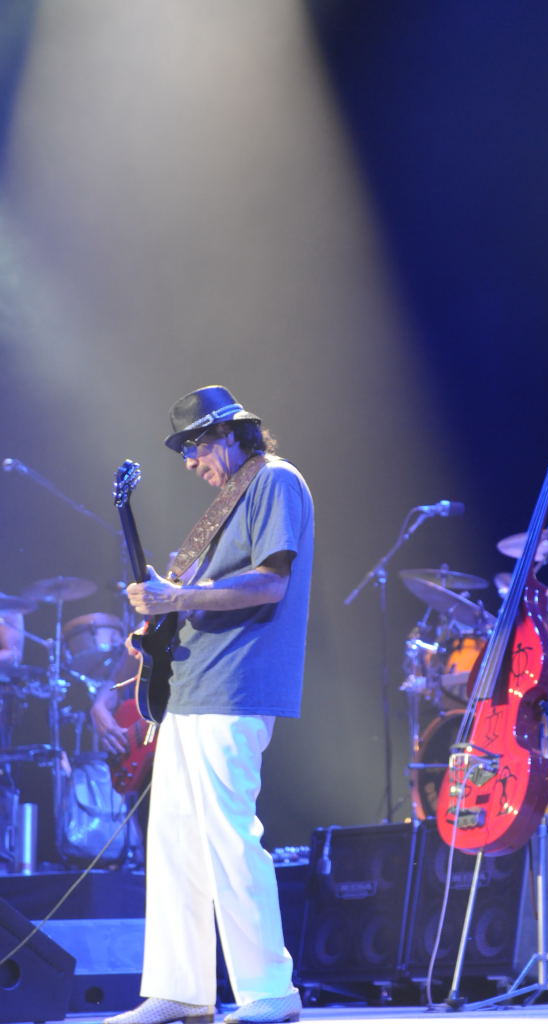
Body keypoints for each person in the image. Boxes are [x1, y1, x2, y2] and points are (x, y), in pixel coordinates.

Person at [106, 386, 314, 1024]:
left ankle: (270, 989)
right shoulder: (228, 500)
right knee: (175, 840)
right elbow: (197, 595)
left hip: (237, 682)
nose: (191, 462)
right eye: (184, 453)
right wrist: (158, 621)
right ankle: (181, 990)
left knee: (228, 834)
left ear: (228, 433)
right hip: (191, 686)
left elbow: (270, 582)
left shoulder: (274, 480)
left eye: (194, 447)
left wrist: (175, 599)